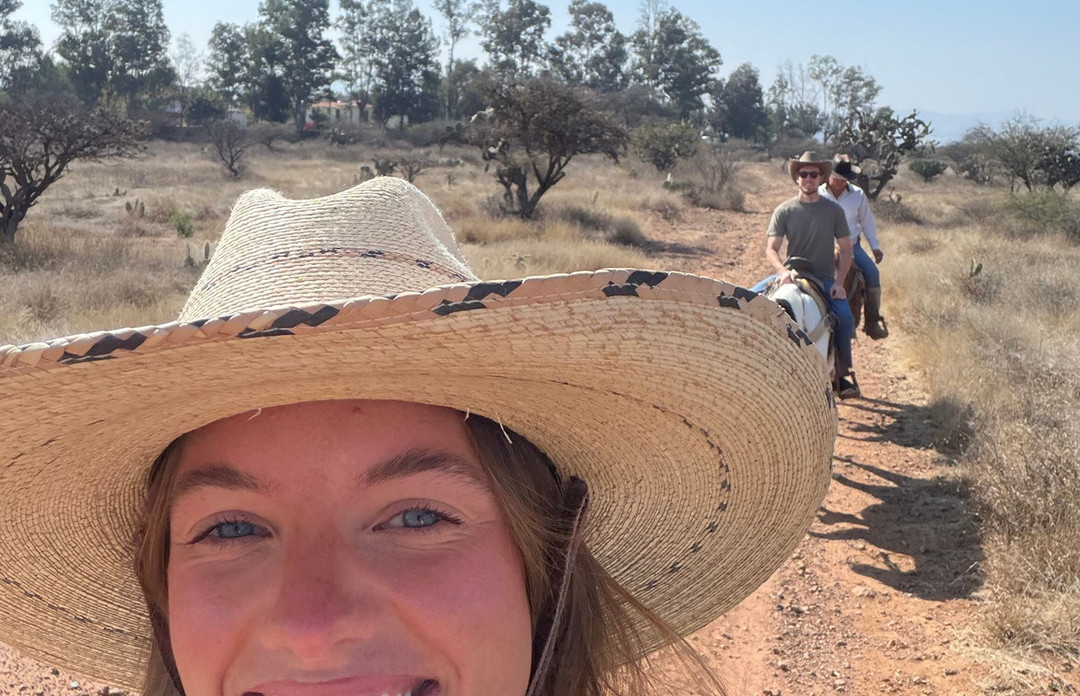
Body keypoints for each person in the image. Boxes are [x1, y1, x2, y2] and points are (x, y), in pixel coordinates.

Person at [0, 177, 837, 696]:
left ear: (549, 559)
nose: (313, 625)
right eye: (229, 528)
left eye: (416, 516)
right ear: (161, 589)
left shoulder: (834, 209)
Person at [751, 151, 859, 399]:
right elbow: (771, 248)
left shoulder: (833, 211)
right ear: (797, 178)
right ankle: (748, 362)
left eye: (814, 174)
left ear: (822, 178)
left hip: (822, 277)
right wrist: (782, 271)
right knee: (746, 300)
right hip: (791, 272)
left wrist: (840, 283)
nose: (808, 178)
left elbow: (846, 249)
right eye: (803, 174)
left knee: (844, 315)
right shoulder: (784, 210)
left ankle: (841, 374)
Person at [822, 155, 888, 340]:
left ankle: (872, 322)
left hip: (850, 246)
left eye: (844, 180)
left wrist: (875, 247)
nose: (840, 183)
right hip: (822, 246)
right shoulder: (817, 193)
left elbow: (867, 221)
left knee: (872, 273)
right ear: (828, 176)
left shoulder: (857, 195)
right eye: (836, 179)